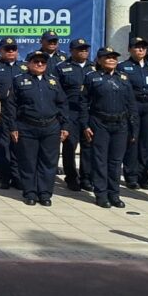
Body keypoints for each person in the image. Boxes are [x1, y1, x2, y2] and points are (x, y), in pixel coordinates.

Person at [3, 51, 69, 206]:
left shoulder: (53, 81)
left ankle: (45, 193)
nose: (40, 64)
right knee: (28, 162)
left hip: (51, 127)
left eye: (43, 62)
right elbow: (11, 106)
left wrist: (65, 126)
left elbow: (62, 104)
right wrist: (13, 127)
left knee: (48, 162)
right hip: (27, 126)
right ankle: (30, 193)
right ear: (28, 63)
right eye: (36, 61)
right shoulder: (19, 81)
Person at [82, 47, 137, 209]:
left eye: (114, 57)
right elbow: (83, 103)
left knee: (115, 161)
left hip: (120, 124)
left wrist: (133, 128)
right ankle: (101, 194)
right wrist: (85, 125)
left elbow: (131, 104)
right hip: (99, 123)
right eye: (107, 57)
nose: (111, 60)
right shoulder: (92, 78)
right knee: (100, 161)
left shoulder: (124, 78)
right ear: (99, 60)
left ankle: (114, 194)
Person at [53, 38, 94, 192]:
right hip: (70, 112)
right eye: (80, 49)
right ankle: (71, 177)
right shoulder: (62, 67)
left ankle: (86, 178)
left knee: (88, 145)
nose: (83, 51)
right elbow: (57, 91)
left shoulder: (94, 67)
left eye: (85, 49)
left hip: (89, 112)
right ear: (72, 51)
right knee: (70, 146)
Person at [119, 37, 148, 190]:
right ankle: (131, 177)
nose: (140, 50)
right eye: (137, 47)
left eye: (143, 47)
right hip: (132, 105)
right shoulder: (123, 67)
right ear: (130, 49)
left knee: (146, 145)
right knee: (132, 142)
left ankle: (143, 177)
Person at [0, 38, 26, 190]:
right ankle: (4, 177)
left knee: (19, 146)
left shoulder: (24, 67)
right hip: (2, 111)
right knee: (3, 146)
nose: (10, 51)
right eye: (7, 49)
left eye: (13, 49)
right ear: (0, 51)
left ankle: (17, 177)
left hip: (21, 112)